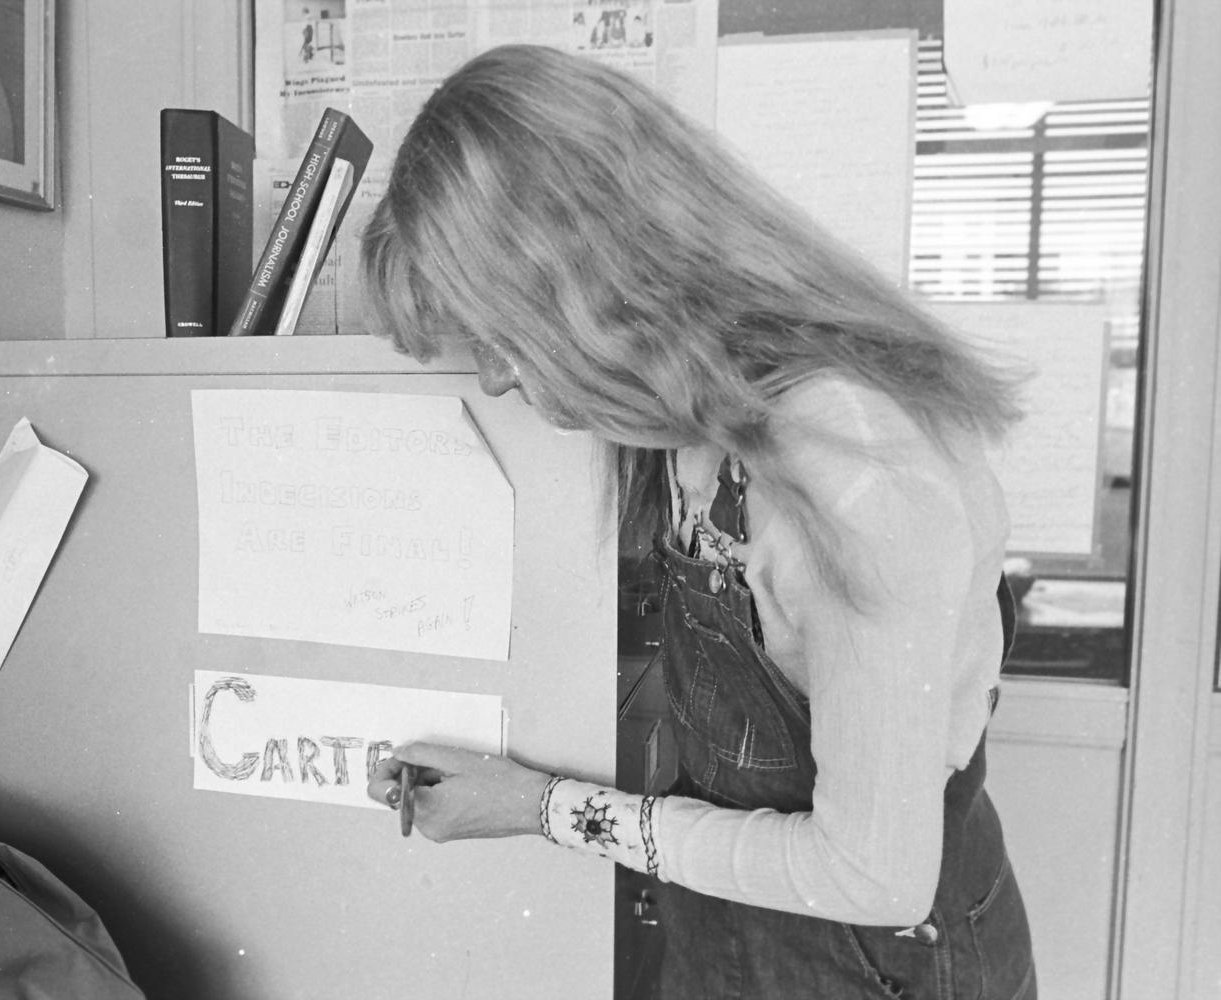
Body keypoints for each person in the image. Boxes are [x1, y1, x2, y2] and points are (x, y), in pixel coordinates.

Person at [361, 43, 1037, 1000]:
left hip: (879, 961)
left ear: (590, 284)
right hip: (726, 930)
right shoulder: (681, 413)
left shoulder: (854, 469)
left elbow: (874, 876)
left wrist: (540, 807)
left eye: (501, 337)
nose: (497, 380)